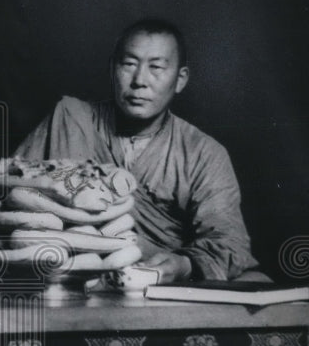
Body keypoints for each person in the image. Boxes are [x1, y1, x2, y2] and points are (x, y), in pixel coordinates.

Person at [15, 18, 258, 282]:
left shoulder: (203, 153)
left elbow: (229, 244)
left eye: (156, 67)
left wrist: (183, 265)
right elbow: (11, 195)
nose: (139, 80)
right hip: (64, 272)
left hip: (156, 280)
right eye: (129, 64)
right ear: (112, 68)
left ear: (180, 79)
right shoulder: (71, 118)